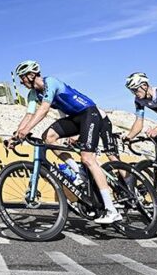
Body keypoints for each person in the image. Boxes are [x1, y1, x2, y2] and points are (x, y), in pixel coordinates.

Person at [10, 60, 122, 225]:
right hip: (74, 118)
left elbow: (44, 109)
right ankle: (78, 172)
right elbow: (28, 115)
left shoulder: (51, 82)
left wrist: (26, 130)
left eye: (23, 78)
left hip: (89, 113)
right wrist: (16, 135)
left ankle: (112, 210)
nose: (22, 82)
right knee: (48, 137)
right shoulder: (33, 94)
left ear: (31, 75)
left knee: (88, 159)